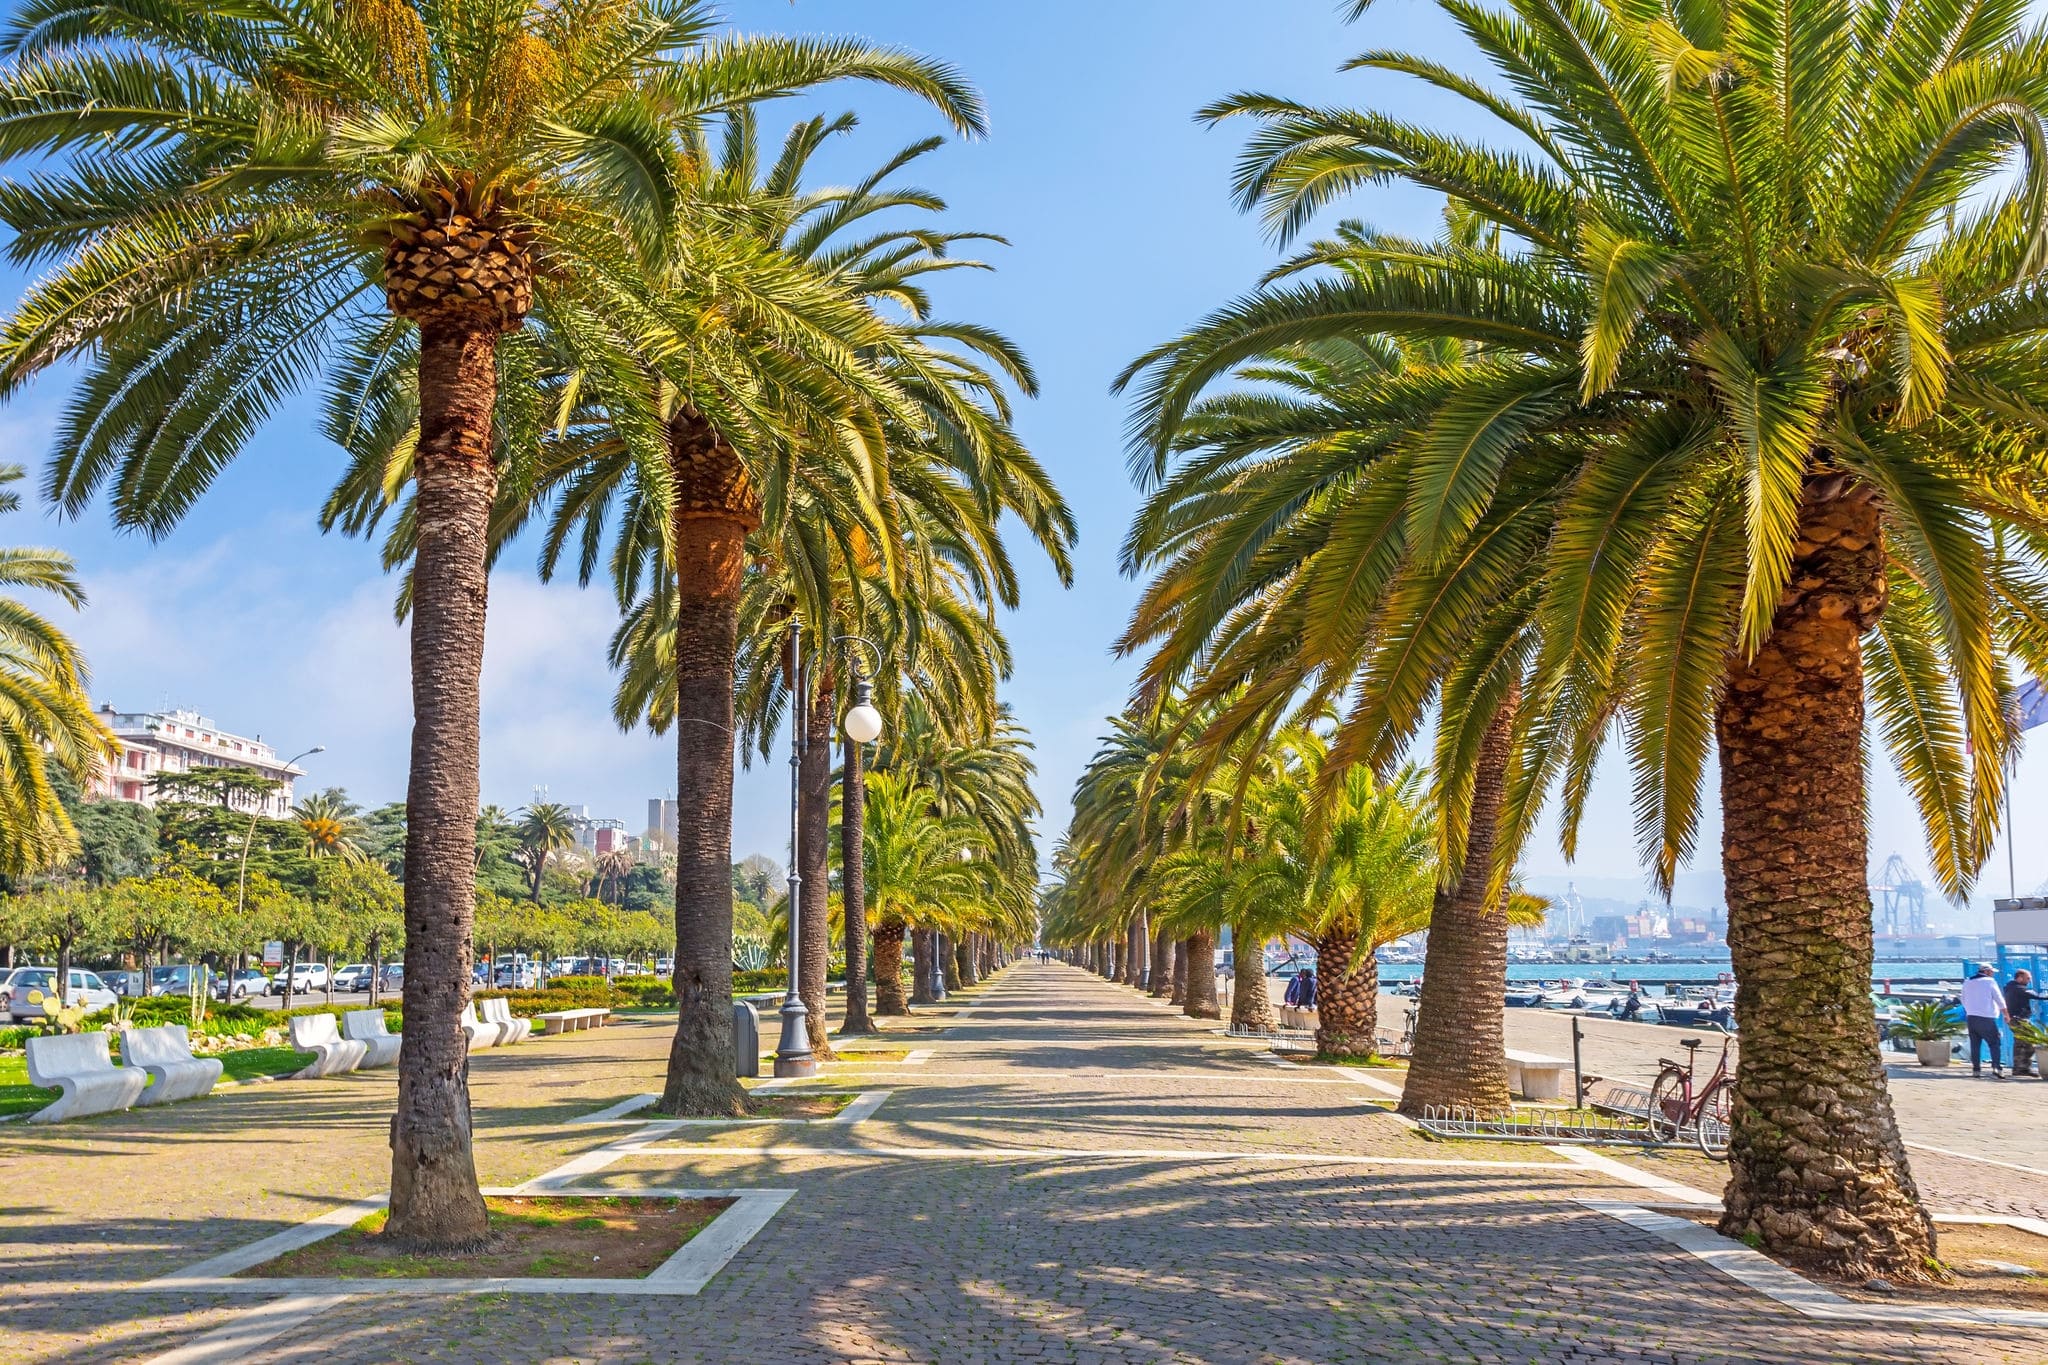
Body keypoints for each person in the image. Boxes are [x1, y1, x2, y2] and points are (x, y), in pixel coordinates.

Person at [1961, 964, 2008, 1080]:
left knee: (1975, 1044)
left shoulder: (1967, 982)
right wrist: (2006, 1014)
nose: (1993, 974)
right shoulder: (1989, 982)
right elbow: (1999, 999)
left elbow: (1963, 999)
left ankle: (1976, 1069)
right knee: (1994, 1043)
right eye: (1992, 972)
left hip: (1971, 1017)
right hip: (1986, 1017)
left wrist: (1970, 1010)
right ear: (1987, 972)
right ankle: (1996, 1068)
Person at [2005, 969, 2047, 1079]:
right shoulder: (2017, 988)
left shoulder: (2010, 987)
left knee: (2020, 1043)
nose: (2029, 981)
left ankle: (2020, 1069)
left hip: (2015, 1019)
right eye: (2027, 978)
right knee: (2030, 1041)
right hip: (2019, 1019)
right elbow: (2034, 995)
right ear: (2019, 977)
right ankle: (2023, 1068)